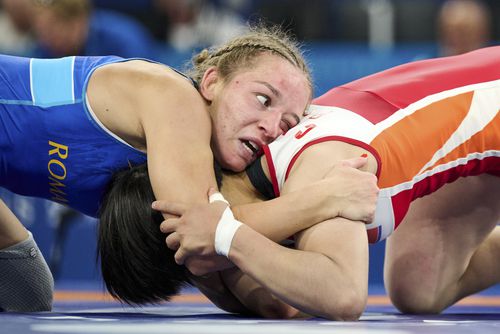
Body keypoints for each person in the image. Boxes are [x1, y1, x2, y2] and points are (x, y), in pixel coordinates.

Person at [152, 46, 500, 319]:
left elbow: (343, 296)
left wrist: (225, 237)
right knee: (420, 288)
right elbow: (283, 298)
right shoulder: (277, 159)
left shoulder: (317, 164)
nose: (270, 126)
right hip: (484, 131)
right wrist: (219, 248)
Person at [0, 26, 316, 311]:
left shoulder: (192, 173)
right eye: (262, 99)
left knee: (28, 293)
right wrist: (323, 200)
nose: (271, 128)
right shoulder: (174, 97)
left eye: (288, 124)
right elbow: (202, 240)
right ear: (211, 82)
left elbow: (224, 275)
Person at [31, 0, 155, 58]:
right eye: (41, 33)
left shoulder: (123, 41)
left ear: (78, 22)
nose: (45, 41)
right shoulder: (44, 50)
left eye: (52, 32)